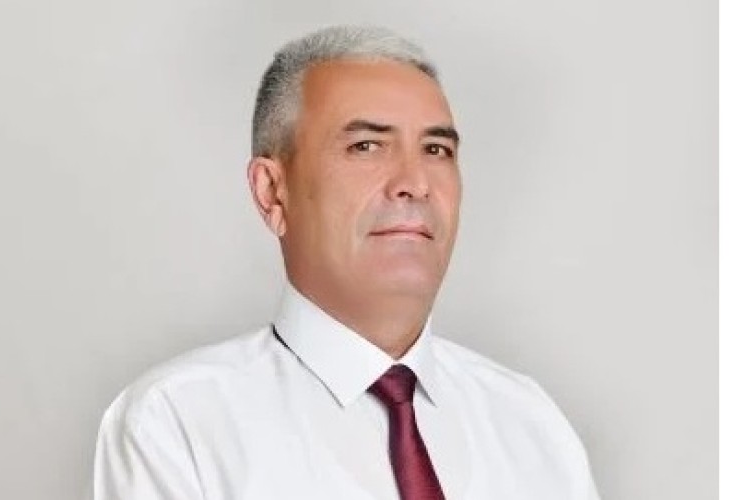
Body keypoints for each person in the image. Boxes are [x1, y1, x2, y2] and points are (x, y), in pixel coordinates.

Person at [93, 25, 601, 500]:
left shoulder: (532, 426)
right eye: (366, 146)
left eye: (436, 149)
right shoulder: (178, 423)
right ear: (273, 191)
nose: (415, 182)